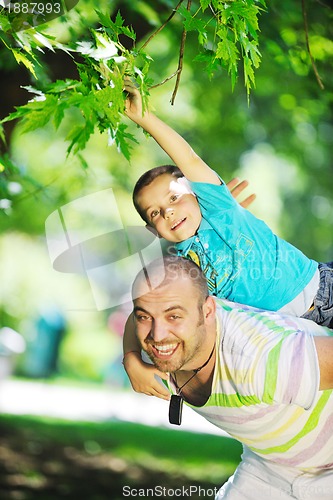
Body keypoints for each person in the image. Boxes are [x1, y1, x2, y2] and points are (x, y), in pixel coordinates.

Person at [122, 81, 333, 399]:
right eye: (155, 213)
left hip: (322, 288)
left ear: (196, 193)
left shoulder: (221, 210)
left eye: (175, 198)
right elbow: (145, 310)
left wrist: (144, 117)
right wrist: (131, 359)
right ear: (153, 230)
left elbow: (189, 159)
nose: (167, 213)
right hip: (290, 332)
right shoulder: (181, 268)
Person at [131, 255, 333, 499]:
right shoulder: (161, 341)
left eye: (173, 316)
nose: (157, 334)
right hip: (273, 466)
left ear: (207, 310)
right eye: (144, 317)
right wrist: (130, 356)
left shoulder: (260, 359)